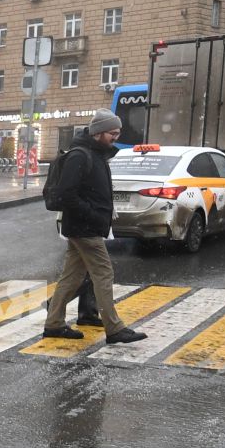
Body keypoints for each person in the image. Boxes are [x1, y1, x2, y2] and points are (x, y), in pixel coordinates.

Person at [41, 113, 146, 344]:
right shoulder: (80, 156)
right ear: (98, 133)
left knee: (72, 277)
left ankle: (54, 323)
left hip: (85, 227)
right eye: (112, 133)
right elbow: (67, 194)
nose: (116, 137)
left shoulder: (95, 154)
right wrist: (92, 214)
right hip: (84, 228)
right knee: (103, 273)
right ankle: (114, 328)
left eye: (118, 133)